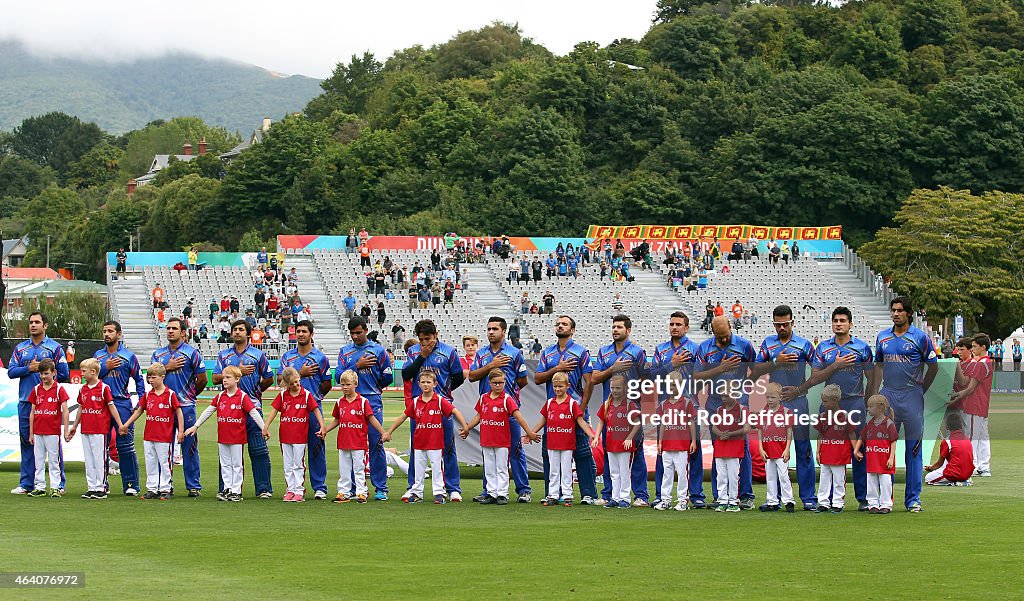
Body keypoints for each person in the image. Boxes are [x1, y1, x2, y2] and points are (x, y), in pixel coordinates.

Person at [786, 306, 874, 510]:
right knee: (829, 450)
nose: (838, 324)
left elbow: (872, 377)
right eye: (835, 320)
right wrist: (835, 365)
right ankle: (829, 500)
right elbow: (815, 378)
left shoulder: (862, 348)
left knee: (859, 449)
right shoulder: (823, 348)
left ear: (851, 324)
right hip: (829, 405)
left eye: (843, 320)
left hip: (854, 403)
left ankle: (863, 498)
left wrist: (867, 400)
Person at [867, 296, 938, 512]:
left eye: (899, 310)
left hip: (912, 397)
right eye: (893, 310)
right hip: (888, 397)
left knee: (913, 450)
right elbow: (878, 366)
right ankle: (884, 501)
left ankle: (913, 499)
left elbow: (933, 367)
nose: (895, 314)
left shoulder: (921, 338)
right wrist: (876, 392)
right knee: (882, 447)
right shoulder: (883, 337)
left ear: (909, 313)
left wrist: (920, 390)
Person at [752, 305, 818, 510]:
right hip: (774, 406)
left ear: (793, 323)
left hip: (798, 402)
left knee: (803, 448)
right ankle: (776, 499)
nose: (781, 328)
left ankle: (808, 499)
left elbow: (818, 372)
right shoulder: (768, 344)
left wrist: (800, 389)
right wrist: (775, 362)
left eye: (785, 324)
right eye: (777, 324)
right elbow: (754, 371)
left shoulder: (804, 345)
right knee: (774, 450)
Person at [693, 316, 757, 509]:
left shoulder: (745, 346)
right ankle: (720, 496)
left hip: (738, 403)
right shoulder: (705, 348)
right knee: (718, 448)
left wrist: (744, 389)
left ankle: (745, 495)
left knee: (742, 448)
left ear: (731, 327)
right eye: (718, 336)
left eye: (725, 335)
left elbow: (755, 369)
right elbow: (697, 375)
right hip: (715, 403)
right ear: (712, 332)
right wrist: (720, 368)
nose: (722, 340)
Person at [534, 315, 599, 504]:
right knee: (550, 454)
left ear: (572, 330)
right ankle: (553, 493)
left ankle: (588, 493)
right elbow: (538, 378)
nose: (560, 326)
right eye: (558, 324)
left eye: (565, 324)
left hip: (575, 410)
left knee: (582, 453)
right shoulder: (548, 353)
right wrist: (557, 368)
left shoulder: (581, 352)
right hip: (554, 413)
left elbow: (590, 381)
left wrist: (583, 407)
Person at [467, 317, 532, 502]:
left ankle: (523, 490)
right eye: (488, 329)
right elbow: (471, 376)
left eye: (495, 329)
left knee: (515, 450)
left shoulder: (514, 353)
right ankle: (489, 490)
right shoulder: (481, 354)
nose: (491, 332)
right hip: (487, 412)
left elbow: (523, 380)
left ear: (504, 332)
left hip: (508, 412)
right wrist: (490, 366)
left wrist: (508, 397)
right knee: (489, 452)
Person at [400, 320, 465, 501]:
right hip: (419, 408)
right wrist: (421, 355)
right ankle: (414, 487)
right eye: (420, 339)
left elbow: (458, 377)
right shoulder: (414, 352)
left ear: (435, 335)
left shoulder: (449, 352)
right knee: (416, 449)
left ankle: (453, 488)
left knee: (448, 448)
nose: (424, 343)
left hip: (441, 407)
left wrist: (444, 392)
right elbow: (406, 375)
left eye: (427, 339)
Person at [384, 371, 469, 504]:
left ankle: (439, 493)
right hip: (419, 442)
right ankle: (417, 492)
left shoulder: (440, 400)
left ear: (435, 384)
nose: (425, 385)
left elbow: (454, 411)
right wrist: (389, 432)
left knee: (437, 468)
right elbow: (403, 416)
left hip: (435, 442)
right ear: (418, 384)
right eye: (423, 382)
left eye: (428, 382)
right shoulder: (416, 401)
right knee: (419, 468)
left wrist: (465, 426)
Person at [8, 312, 70, 495]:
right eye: (31, 322)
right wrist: (29, 368)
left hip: (49, 404)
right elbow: (11, 372)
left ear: (45, 325)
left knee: (53, 446)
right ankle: (27, 483)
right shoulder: (20, 348)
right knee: (28, 442)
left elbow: (65, 373)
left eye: (37, 322)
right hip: (27, 402)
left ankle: (58, 484)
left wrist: (47, 376)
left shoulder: (55, 348)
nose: (33, 325)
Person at [591, 314, 650, 506]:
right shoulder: (604, 352)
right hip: (610, 411)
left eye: (619, 327)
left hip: (630, 412)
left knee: (636, 453)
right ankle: (609, 494)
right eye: (614, 327)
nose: (615, 330)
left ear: (628, 330)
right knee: (610, 453)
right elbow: (594, 378)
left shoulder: (637, 352)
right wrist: (613, 369)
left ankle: (640, 495)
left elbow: (645, 379)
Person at [213, 320, 275, 498]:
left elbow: (269, 378)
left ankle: (263, 488)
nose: (237, 332)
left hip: (251, 406)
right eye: (234, 330)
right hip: (230, 411)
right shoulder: (224, 356)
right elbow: (216, 378)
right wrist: (237, 371)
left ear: (248, 333)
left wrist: (254, 393)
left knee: (258, 449)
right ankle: (227, 488)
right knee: (228, 451)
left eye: (241, 329)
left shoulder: (258, 355)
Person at [185, 366, 266, 501]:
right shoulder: (220, 396)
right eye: (224, 377)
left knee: (237, 464)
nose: (225, 380)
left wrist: (264, 428)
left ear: (237, 379)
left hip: (237, 438)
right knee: (225, 464)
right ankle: (227, 488)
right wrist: (196, 426)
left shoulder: (242, 397)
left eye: (228, 377)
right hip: (223, 437)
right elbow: (208, 411)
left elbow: (253, 413)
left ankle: (236, 491)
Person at [460, 369, 540, 504]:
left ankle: (502, 494)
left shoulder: (507, 399)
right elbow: (478, 416)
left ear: (505, 382)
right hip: (486, 439)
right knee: (489, 467)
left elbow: (518, 416)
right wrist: (467, 428)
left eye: (501, 383)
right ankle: (491, 493)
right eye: (495, 383)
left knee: (502, 467)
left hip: (502, 441)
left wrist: (529, 432)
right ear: (489, 383)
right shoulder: (483, 398)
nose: (498, 385)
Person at [337, 317, 394, 500]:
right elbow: (338, 375)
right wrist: (356, 366)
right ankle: (354, 488)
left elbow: (388, 375)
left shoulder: (378, 350)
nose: (355, 336)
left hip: (371, 401)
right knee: (352, 446)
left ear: (366, 330)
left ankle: (380, 488)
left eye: (358, 332)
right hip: (350, 403)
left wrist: (375, 386)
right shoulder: (345, 352)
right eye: (352, 333)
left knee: (376, 444)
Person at [649, 312, 702, 507]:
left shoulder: (695, 349)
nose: (674, 327)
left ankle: (695, 495)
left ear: (686, 327)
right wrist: (671, 364)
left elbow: (702, 376)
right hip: (666, 406)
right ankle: (661, 496)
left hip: (689, 406)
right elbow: (651, 375)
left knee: (693, 451)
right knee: (663, 452)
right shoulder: (661, 350)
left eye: (679, 324)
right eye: (671, 324)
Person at [279, 320, 333, 499]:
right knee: (294, 450)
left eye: (304, 331)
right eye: (298, 331)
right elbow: (281, 382)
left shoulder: (320, 358)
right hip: (292, 411)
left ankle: (319, 487)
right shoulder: (288, 358)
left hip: (312, 409)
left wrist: (315, 399)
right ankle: (294, 488)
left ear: (311, 334)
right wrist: (300, 374)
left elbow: (327, 384)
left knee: (317, 446)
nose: (301, 334)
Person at [94, 321, 146, 496]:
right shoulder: (98, 356)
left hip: (122, 404)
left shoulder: (128, 356)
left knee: (125, 446)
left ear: (119, 334)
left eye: (110, 331)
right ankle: (101, 485)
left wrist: (140, 401)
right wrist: (104, 368)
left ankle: (131, 485)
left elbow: (139, 380)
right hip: (101, 406)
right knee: (101, 446)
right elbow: (91, 378)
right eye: (104, 331)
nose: (107, 334)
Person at [120, 363, 185, 500]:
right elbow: (139, 411)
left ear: (163, 377)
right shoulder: (148, 395)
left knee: (165, 463)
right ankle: (152, 488)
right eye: (149, 377)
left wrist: (180, 431)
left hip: (165, 436)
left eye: (153, 377)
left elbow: (179, 412)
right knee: (150, 463)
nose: (150, 380)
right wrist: (126, 425)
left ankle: (166, 488)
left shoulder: (170, 394)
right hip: (149, 435)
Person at [531, 372, 596, 506]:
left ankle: (567, 496)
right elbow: (543, 421)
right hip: (552, 443)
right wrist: (531, 433)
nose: (557, 389)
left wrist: (591, 434)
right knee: (553, 470)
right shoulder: (549, 403)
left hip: (567, 444)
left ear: (568, 386)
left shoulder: (572, 403)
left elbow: (581, 421)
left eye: (560, 386)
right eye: (555, 387)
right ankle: (553, 495)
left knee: (566, 470)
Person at [263, 367, 325, 502]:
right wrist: (266, 426)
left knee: (298, 464)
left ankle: (299, 490)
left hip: (300, 436)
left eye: (297, 382)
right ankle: (290, 489)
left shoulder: (307, 395)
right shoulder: (282, 396)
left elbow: (316, 410)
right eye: (292, 384)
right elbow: (273, 411)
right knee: (288, 465)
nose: (295, 385)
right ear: (286, 384)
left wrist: (322, 426)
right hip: (285, 436)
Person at [325, 370, 388, 503]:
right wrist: (325, 430)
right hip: (343, 441)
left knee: (359, 469)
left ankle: (361, 492)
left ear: (355, 384)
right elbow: (337, 420)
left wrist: (383, 432)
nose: (345, 387)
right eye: (342, 384)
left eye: (348, 384)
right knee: (344, 469)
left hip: (359, 442)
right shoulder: (339, 402)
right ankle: (343, 492)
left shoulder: (363, 402)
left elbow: (371, 418)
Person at [65, 358, 118, 498]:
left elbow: (112, 407)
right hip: (86, 429)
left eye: (83, 371)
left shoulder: (104, 388)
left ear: (93, 372)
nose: (81, 374)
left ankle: (101, 487)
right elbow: (80, 408)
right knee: (89, 459)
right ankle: (92, 486)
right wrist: (75, 426)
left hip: (100, 429)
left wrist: (120, 425)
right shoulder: (83, 389)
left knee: (99, 458)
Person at [592, 374, 642, 509]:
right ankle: (615, 497)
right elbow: (601, 420)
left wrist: (629, 438)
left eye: (618, 388)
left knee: (625, 471)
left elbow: (637, 423)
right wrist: (596, 437)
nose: (614, 391)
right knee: (614, 472)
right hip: (611, 444)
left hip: (625, 445)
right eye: (612, 388)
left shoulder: (630, 404)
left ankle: (625, 498)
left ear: (625, 388)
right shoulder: (607, 404)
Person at [653, 372, 697, 512]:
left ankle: (683, 500)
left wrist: (693, 441)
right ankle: (665, 499)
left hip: (682, 446)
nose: (672, 387)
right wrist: (660, 442)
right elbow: (662, 425)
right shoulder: (663, 404)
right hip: (667, 446)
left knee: (683, 473)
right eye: (670, 384)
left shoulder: (687, 403)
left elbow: (691, 423)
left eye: (675, 384)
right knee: (667, 473)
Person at [26, 359, 70, 497]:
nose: (44, 377)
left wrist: (66, 430)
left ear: (54, 373)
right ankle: (40, 486)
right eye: (41, 374)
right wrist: (31, 433)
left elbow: (66, 410)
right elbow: (32, 412)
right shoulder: (36, 389)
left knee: (53, 460)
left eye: (46, 373)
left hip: (52, 431)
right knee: (38, 460)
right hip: (38, 431)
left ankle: (56, 487)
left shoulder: (59, 389)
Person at [814, 384, 860, 513]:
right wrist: (818, 451)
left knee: (839, 479)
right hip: (826, 453)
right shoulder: (823, 415)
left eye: (826, 401)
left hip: (840, 454)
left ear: (835, 401)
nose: (823, 404)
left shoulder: (845, 416)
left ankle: (838, 503)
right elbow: (820, 434)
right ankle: (823, 503)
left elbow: (851, 433)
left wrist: (855, 450)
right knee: (824, 479)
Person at [856, 394, 898, 514]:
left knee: (885, 483)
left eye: (870, 407)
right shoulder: (869, 424)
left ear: (879, 408)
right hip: (872, 460)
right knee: (871, 483)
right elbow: (862, 437)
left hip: (884, 461)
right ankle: (873, 504)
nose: (868, 409)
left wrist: (891, 458)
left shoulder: (889, 423)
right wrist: (856, 450)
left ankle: (886, 504)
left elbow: (893, 441)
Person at [756, 383, 795, 512]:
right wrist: (761, 448)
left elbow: (789, 431)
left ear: (780, 397)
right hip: (767, 450)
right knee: (770, 476)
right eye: (767, 397)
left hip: (781, 449)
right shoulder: (763, 413)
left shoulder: (786, 412)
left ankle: (789, 501)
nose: (770, 400)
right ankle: (772, 501)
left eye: (773, 397)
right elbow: (760, 431)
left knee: (784, 476)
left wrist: (787, 448)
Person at [711, 389, 749, 513]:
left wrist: (730, 434)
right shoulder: (719, 410)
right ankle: (722, 500)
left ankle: (733, 501)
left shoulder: (743, 409)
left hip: (735, 447)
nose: (723, 398)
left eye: (726, 395)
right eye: (722, 395)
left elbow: (746, 428)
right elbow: (714, 426)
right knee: (721, 475)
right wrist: (721, 434)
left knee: (733, 476)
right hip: (720, 447)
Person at [962, 334, 993, 477]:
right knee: (982, 436)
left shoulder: (981, 363)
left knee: (972, 436)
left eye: (974, 346)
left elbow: (970, 386)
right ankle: (984, 466)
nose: (972, 349)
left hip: (975, 404)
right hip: (982, 404)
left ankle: (972, 466)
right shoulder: (985, 362)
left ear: (983, 347)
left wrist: (957, 396)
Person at [925, 413, 975, 486]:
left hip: (954, 474)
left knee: (928, 478)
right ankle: (963, 480)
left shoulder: (947, 441)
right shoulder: (967, 439)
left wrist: (930, 468)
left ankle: (953, 482)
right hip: (968, 473)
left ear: (947, 427)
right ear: (961, 425)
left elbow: (939, 463)